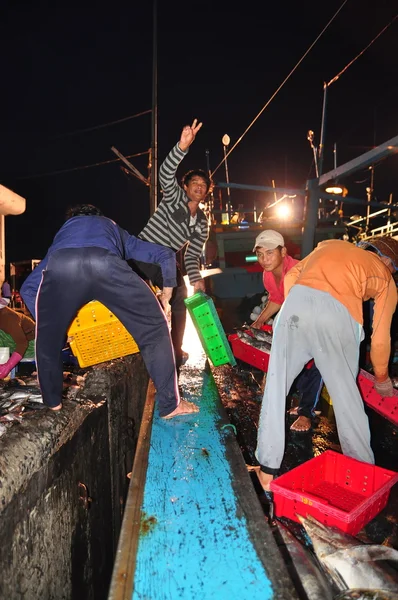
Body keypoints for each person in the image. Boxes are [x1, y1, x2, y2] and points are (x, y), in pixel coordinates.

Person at [20, 204, 199, 419]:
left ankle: (52, 403)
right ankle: (171, 406)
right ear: (99, 217)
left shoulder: (63, 236)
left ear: (71, 221)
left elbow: (28, 289)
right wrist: (166, 297)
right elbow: (165, 254)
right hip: (106, 263)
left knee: (47, 341)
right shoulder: (111, 227)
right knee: (154, 330)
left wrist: (51, 323)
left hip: (62, 265)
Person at [255, 236, 398, 491]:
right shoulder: (385, 277)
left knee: (276, 388)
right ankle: (362, 475)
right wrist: (382, 377)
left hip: (294, 307)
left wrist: (299, 311)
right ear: (388, 261)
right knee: (346, 398)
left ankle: (267, 471)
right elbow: (380, 339)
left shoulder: (329, 245)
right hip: (338, 315)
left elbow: (292, 276)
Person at [132, 119, 210, 372]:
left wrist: (197, 279)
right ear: (185, 187)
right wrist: (182, 146)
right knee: (136, 297)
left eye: (203, 185)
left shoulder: (202, 222)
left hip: (165, 260)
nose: (199, 187)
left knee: (180, 296)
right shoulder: (174, 196)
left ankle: (175, 350)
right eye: (195, 183)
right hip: (142, 252)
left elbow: (191, 256)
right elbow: (165, 173)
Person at [251, 230, 323, 432]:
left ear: (283, 251)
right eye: (260, 254)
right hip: (299, 319)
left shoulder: (298, 270)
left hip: (319, 320)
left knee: (319, 364)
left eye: (270, 253)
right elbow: (277, 299)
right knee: (297, 363)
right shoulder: (267, 275)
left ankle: (306, 413)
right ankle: (307, 405)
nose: (264, 260)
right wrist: (259, 321)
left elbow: (303, 308)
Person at [0, 300, 35, 378]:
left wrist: (8, 366)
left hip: (30, 345)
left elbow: (22, 343)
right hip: (12, 343)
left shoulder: (8, 318)